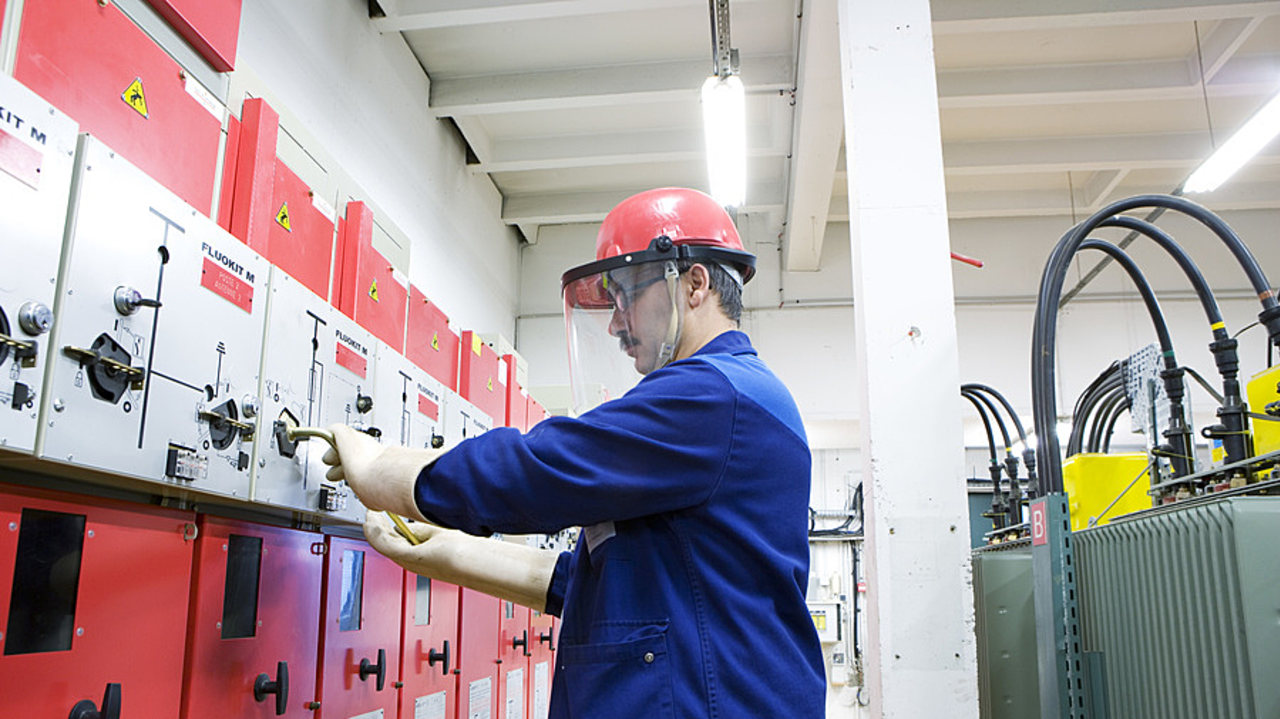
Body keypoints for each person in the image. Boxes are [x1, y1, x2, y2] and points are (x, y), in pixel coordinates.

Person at [323, 187, 825, 718]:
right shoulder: (732, 398)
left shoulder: (714, 395)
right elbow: (628, 591)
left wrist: (389, 473)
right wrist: (457, 555)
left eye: (626, 295)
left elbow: (544, 468)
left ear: (693, 284)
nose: (614, 323)